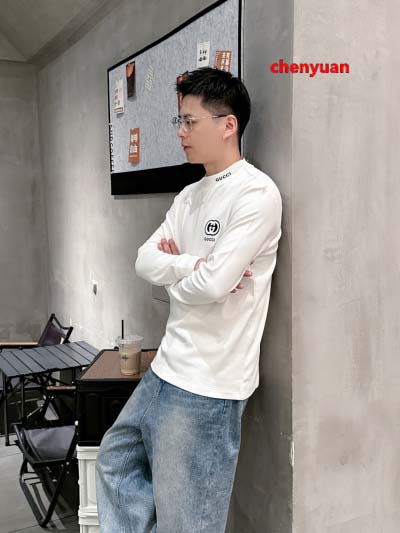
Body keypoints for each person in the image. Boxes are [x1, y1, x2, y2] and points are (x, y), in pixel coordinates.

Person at [96, 67, 282, 533]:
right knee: (115, 462)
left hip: (208, 383)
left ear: (228, 124)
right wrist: (193, 265)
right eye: (178, 121)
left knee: (187, 522)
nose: (180, 132)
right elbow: (145, 260)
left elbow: (213, 286)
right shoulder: (188, 196)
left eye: (189, 121)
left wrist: (181, 273)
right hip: (166, 367)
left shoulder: (257, 194)